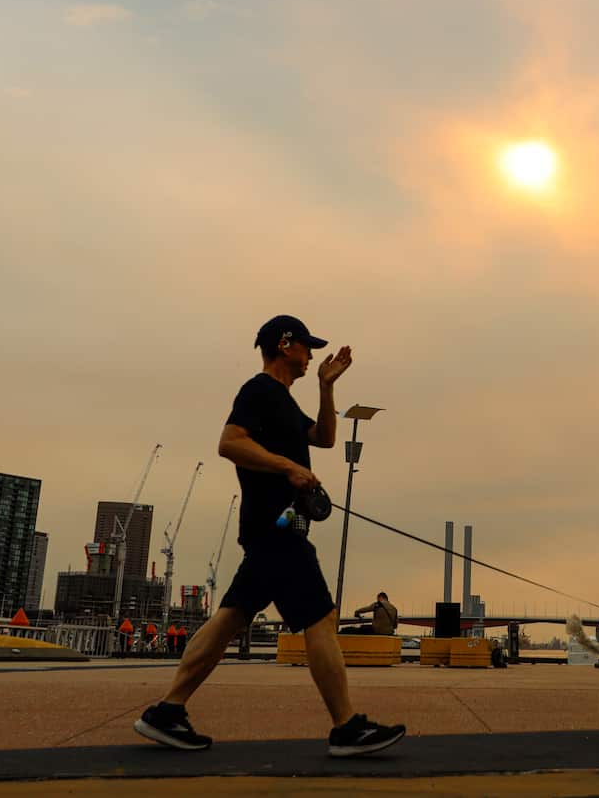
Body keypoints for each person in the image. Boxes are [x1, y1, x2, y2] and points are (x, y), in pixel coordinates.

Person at [134, 315, 405, 757]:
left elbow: (325, 438)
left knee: (230, 619)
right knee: (321, 618)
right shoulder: (258, 390)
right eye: (307, 346)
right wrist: (288, 466)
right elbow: (228, 443)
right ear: (284, 344)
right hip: (277, 530)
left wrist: (326, 387)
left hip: (275, 531)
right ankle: (346, 727)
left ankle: (167, 711)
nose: (312, 354)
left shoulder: (285, 402)